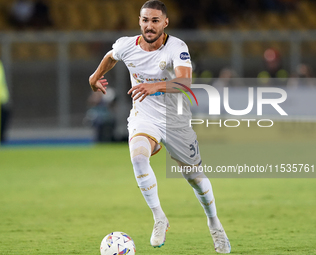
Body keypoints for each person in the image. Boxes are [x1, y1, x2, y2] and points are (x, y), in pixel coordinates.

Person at [89, 1, 231, 253]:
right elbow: (111, 56)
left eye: (155, 20)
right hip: (144, 117)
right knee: (138, 157)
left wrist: (154, 86)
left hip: (175, 120)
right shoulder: (127, 45)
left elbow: (185, 81)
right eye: (145, 20)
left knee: (195, 178)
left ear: (165, 23)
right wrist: (94, 76)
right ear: (139, 21)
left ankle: (214, 224)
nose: (149, 25)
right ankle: (159, 217)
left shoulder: (176, 47)